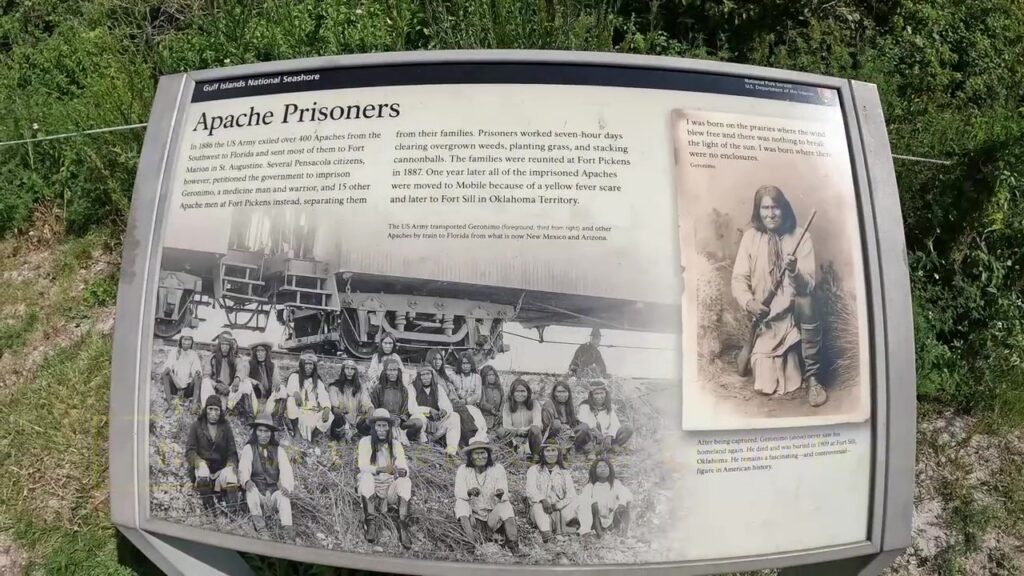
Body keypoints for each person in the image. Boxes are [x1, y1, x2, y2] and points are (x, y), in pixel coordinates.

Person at [731, 184, 826, 406]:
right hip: (764, 320)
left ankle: (813, 378)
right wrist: (750, 303)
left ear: (785, 209)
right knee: (765, 384)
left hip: (794, 318)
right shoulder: (750, 238)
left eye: (776, 207)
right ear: (758, 210)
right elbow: (738, 280)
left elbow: (808, 286)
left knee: (807, 300)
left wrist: (794, 271)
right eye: (765, 208)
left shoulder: (801, 237)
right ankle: (757, 351)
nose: (770, 213)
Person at [357, 408, 413, 549]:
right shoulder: (365, 442)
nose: (381, 430)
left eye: (384, 426)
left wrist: (401, 471)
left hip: (389, 490)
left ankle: (403, 526)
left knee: (405, 481)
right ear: (373, 428)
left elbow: (404, 467)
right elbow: (362, 466)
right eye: (378, 426)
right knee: (366, 477)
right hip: (371, 490)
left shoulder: (396, 445)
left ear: (389, 428)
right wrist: (381, 469)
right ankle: (371, 523)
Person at [238, 412, 296, 541]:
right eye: (260, 431)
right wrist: (246, 481)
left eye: (267, 431)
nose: (263, 435)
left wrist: (287, 486)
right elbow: (243, 468)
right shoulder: (249, 448)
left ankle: (288, 535)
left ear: (271, 433)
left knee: (283, 497)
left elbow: (287, 471)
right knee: (251, 491)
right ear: (255, 432)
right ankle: (262, 530)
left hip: (272, 494)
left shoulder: (279, 451)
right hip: (258, 494)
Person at [454, 440, 519, 554]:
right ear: (471, 456)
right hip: (473, 520)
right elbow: (458, 493)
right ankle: (471, 544)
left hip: (491, 519)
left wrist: (500, 494)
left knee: (505, 505)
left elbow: (504, 492)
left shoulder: (497, 469)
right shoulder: (463, 470)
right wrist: (468, 492)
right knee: (460, 503)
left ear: (488, 454)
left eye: (483, 453)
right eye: (476, 453)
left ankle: (514, 545)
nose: (480, 457)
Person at [185, 395, 241, 516]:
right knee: (203, 472)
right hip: (202, 469)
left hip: (219, 470)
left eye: (216, 409)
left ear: (220, 412)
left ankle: (232, 513)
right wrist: (199, 462)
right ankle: (210, 510)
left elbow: (232, 453)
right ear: (205, 410)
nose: (213, 413)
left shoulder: (225, 427)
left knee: (231, 476)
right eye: (210, 409)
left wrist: (229, 466)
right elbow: (190, 451)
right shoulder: (196, 426)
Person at [427, 348, 485, 446]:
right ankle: (470, 437)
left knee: (464, 410)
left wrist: (459, 400)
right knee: (461, 410)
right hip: (440, 405)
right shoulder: (431, 374)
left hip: (454, 402)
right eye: (435, 359)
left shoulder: (443, 375)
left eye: (440, 359)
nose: (438, 362)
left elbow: (476, 395)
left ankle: (469, 438)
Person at [525, 439, 578, 542]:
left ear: (558, 453)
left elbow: (571, 494)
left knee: (576, 501)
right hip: (542, 512)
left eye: (553, 450)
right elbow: (531, 491)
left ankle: (569, 531)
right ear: (542, 453)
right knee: (537, 506)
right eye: (547, 451)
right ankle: (547, 536)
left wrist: (558, 505)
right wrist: (543, 500)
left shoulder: (564, 473)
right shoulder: (534, 470)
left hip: (560, 511)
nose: (551, 454)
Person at [199, 331, 256, 420]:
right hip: (215, 391)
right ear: (219, 346)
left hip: (229, 391)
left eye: (227, 345)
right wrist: (216, 385)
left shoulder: (236, 358)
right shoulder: (212, 358)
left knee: (246, 383)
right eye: (223, 345)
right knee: (205, 382)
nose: (225, 348)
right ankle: (207, 409)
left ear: (230, 347)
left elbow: (240, 370)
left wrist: (237, 379)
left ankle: (248, 416)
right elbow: (206, 375)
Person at [368, 358, 423, 444]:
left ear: (398, 372)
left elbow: (405, 410)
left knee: (418, 423)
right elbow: (374, 408)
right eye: (390, 370)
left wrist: (401, 419)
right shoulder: (378, 389)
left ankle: (406, 436)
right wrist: (385, 418)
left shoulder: (403, 390)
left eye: (395, 370)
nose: (393, 373)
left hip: (398, 422)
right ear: (385, 372)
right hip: (382, 420)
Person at [409, 366, 461, 455]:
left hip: (436, 426)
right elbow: (411, 408)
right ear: (419, 377)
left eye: (428, 374)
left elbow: (447, 405)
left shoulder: (437, 387)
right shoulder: (412, 388)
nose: (426, 377)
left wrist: (444, 410)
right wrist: (429, 410)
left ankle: (451, 451)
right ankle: (425, 446)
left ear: (432, 375)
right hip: (422, 428)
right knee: (418, 417)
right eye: (423, 375)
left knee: (454, 416)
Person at [577, 457, 632, 539]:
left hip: (612, 517)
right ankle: (599, 533)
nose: (603, 469)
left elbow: (626, 493)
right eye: (599, 467)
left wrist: (622, 503)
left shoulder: (615, 483)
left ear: (610, 469)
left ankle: (623, 534)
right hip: (596, 519)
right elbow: (583, 500)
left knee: (624, 507)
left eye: (605, 467)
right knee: (593, 504)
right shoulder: (590, 486)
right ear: (594, 471)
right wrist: (593, 503)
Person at [284, 351, 333, 442]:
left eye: (311, 364)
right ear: (302, 364)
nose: (308, 367)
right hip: (298, 413)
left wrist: (326, 408)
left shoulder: (317, 381)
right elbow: (290, 388)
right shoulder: (295, 376)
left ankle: (315, 436)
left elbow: (323, 395)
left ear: (314, 366)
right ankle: (296, 432)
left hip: (312, 412)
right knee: (291, 400)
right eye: (306, 364)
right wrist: (295, 393)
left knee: (329, 415)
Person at [576, 380, 632, 454]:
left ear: (606, 394)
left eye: (602, 393)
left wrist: (610, 436)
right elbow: (584, 420)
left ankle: (613, 445)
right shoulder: (585, 406)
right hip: (591, 437)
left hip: (605, 437)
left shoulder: (608, 407)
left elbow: (615, 423)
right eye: (596, 394)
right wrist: (596, 432)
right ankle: (590, 449)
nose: (599, 396)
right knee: (587, 428)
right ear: (591, 395)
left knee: (628, 428)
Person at [328, 359, 373, 441]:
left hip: (357, 419)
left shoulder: (360, 387)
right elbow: (334, 408)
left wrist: (370, 412)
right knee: (338, 419)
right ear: (343, 370)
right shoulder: (334, 387)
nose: (349, 371)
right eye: (347, 368)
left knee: (370, 419)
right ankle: (344, 436)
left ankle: (358, 434)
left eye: (352, 369)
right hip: (342, 419)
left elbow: (366, 402)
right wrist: (340, 411)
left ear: (355, 372)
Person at [496, 378, 543, 457]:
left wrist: (524, 430)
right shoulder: (507, 406)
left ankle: (536, 455)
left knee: (535, 429)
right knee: (501, 431)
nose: (520, 394)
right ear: (512, 393)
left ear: (528, 393)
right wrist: (517, 431)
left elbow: (537, 424)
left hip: (530, 434)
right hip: (514, 434)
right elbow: (506, 426)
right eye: (517, 391)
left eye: (523, 391)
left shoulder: (535, 404)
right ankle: (510, 455)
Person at [160, 328, 202, 411]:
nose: (186, 342)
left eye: (189, 340)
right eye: (185, 339)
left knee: (198, 376)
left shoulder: (193, 354)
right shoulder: (174, 352)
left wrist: (197, 373)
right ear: (180, 340)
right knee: (166, 374)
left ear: (192, 342)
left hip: (187, 388)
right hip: (175, 387)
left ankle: (194, 404)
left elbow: (197, 370)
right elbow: (168, 365)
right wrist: (168, 370)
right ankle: (170, 403)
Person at [541, 380, 589, 452]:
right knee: (556, 423)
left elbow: (573, 423)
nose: (562, 394)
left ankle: (569, 449)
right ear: (554, 393)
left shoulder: (568, 406)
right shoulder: (549, 404)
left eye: (564, 392)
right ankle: (562, 449)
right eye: (559, 392)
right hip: (554, 436)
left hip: (568, 435)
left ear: (568, 393)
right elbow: (547, 427)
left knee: (584, 426)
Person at [246, 341, 286, 423]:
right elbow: (244, 378)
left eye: (262, 351)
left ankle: (277, 419)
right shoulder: (249, 364)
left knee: (282, 389)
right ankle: (249, 416)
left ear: (266, 353)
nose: (260, 353)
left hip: (267, 399)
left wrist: (277, 385)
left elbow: (277, 381)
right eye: (258, 351)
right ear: (255, 353)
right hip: (254, 398)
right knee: (245, 384)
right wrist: (256, 383)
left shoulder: (272, 365)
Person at [478, 365, 505, 431]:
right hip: (486, 417)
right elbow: (482, 403)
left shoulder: (499, 388)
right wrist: (491, 409)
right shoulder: (482, 388)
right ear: (484, 376)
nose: (492, 377)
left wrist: (500, 412)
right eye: (489, 375)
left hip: (498, 417)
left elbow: (503, 401)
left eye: (493, 375)